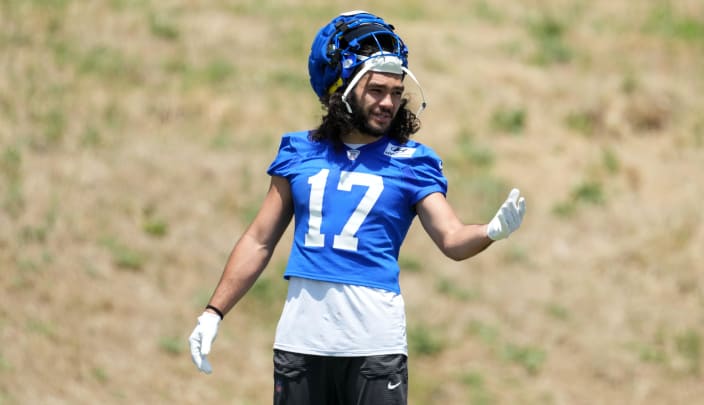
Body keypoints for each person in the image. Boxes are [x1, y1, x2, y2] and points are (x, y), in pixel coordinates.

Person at [188, 10, 526, 405]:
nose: (389, 103)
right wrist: (214, 311)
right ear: (343, 89)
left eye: (397, 93)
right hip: (301, 344)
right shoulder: (299, 151)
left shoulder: (412, 160)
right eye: (377, 90)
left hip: (374, 347)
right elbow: (259, 240)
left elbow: (451, 238)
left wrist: (490, 231)